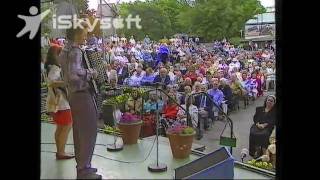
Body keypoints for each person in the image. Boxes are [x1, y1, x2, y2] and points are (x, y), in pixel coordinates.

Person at [59, 23, 102, 179]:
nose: (86, 36)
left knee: (79, 133)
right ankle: (84, 169)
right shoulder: (76, 51)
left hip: (72, 95)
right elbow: (74, 73)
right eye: (84, 33)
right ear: (77, 34)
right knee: (89, 132)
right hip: (82, 94)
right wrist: (92, 72)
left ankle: (83, 166)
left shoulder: (65, 49)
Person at [45, 45, 75, 160]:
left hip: (55, 102)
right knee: (66, 126)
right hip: (61, 103)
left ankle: (60, 151)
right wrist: (66, 82)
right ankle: (61, 152)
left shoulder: (50, 66)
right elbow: (52, 82)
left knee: (60, 127)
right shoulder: (55, 67)